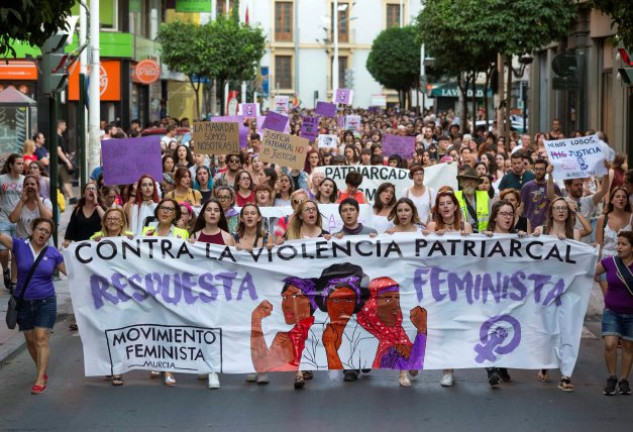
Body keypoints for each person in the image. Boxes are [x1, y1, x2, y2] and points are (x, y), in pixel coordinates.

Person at [0, 218, 65, 394]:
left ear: (49, 236)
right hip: (24, 302)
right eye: (40, 229)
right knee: (30, 339)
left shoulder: (53, 253)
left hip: (46, 302)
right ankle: (41, 369)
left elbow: (72, 272)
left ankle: (39, 378)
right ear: (32, 229)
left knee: (41, 337)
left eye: (47, 231)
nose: (43, 233)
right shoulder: (20, 245)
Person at [142, 198, 188, 386]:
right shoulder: (147, 231)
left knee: (168, 325)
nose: (166, 212)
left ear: (175, 214)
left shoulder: (182, 233)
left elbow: (186, 259)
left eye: (170, 209)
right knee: (154, 323)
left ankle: (168, 367)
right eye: (162, 208)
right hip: (151, 283)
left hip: (172, 285)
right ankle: (157, 359)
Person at [189, 199, 234, 388]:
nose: (213, 213)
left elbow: (234, 265)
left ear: (220, 215)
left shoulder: (227, 238)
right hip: (199, 290)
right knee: (202, 326)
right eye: (209, 210)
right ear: (203, 214)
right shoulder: (194, 236)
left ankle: (213, 369)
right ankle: (204, 361)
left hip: (220, 289)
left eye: (216, 210)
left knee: (215, 326)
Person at [482, 200, 528, 386]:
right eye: (504, 214)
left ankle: (501, 363)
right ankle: (491, 366)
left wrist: (531, 238)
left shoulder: (519, 238)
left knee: (507, 327)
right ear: (495, 216)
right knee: (490, 325)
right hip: (489, 290)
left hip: (512, 291)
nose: (508, 218)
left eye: (511, 214)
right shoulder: (485, 237)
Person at [89, 208, 133, 386]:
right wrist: (93, 244)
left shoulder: (131, 238)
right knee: (103, 331)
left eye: (116, 219)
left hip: (122, 293)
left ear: (122, 222)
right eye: (109, 219)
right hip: (101, 292)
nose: (113, 221)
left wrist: (134, 243)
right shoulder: (96, 237)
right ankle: (108, 365)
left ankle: (117, 370)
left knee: (119, 330)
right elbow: (82, 256)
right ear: (104, 222)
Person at [356, 277, 427, 387]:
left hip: (393, 333)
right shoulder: (366, 313)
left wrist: (421, 328)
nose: (394, 304)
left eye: (396, 298)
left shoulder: (396, 317)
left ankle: (405, 371)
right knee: (395, 347)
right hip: (377, 336)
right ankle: (405, 370)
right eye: (388, 298)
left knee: (402, 342)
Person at [251, 277, 318, 389]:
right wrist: (256, 320)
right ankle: (300, 371)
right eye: (284, 297)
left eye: (295, 296)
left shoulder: (324, 328)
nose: (286, 304)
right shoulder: (282, 337)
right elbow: (262, 365)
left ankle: (301, 370)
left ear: (309, 301)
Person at [594, 230, 633, 396]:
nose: (619, 247)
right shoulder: (610, 262)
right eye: (618, 243)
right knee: (610, 344)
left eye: (623, 244)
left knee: (628, 346)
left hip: (631, 313)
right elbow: (588, 271)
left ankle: (624, 380)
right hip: (611, 311)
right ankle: (612, 377)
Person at [0, 154, 25, 289]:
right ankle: (5, 270)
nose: (21, 166)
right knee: (3, 252)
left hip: (19, 221)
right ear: (10, 165)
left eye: (22, 164)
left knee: (16, 252)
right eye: (18, 163)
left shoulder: (25, 180)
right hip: (3, 219)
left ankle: (14, 281)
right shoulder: (2, 179)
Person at [519, 159, 560, 229]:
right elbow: (520, 209)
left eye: (541, 169)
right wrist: (520, 228)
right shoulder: (527, 187)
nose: (538, 172)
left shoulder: (554, 187)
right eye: (536, 169)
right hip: (528, 228)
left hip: (547, 228)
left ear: (546, 171)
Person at [9, 176, 53, 240]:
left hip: (42, 242)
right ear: (23, 188)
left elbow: (46, 218)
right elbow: (13, 219)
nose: (29, 186)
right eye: (27, 184)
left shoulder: (45, 202)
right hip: (23, 243)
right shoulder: (18, 202)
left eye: (32, 184)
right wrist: (22, 201)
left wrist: (38, 199)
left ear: (38, 187)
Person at [454, 166, 491, 233]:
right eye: (467, 180)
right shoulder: (455, 196)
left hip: (482, 236)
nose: (470, 183)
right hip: (462, 235)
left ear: (477, 183)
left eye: (473, 180)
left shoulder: (485, 196)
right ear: (462, 182)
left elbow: (491, 219)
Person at [56, 120, 76, 204]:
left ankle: (72, 198)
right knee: (54, 180)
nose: (65, 127)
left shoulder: (60, 136)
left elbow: (62, 151)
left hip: (61, 163)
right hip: (57, 163)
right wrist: (67, 161)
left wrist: (67, 156)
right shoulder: (56, 136)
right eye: (64, 125)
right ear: (60, 125)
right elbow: (58, 151)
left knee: (66, 179)